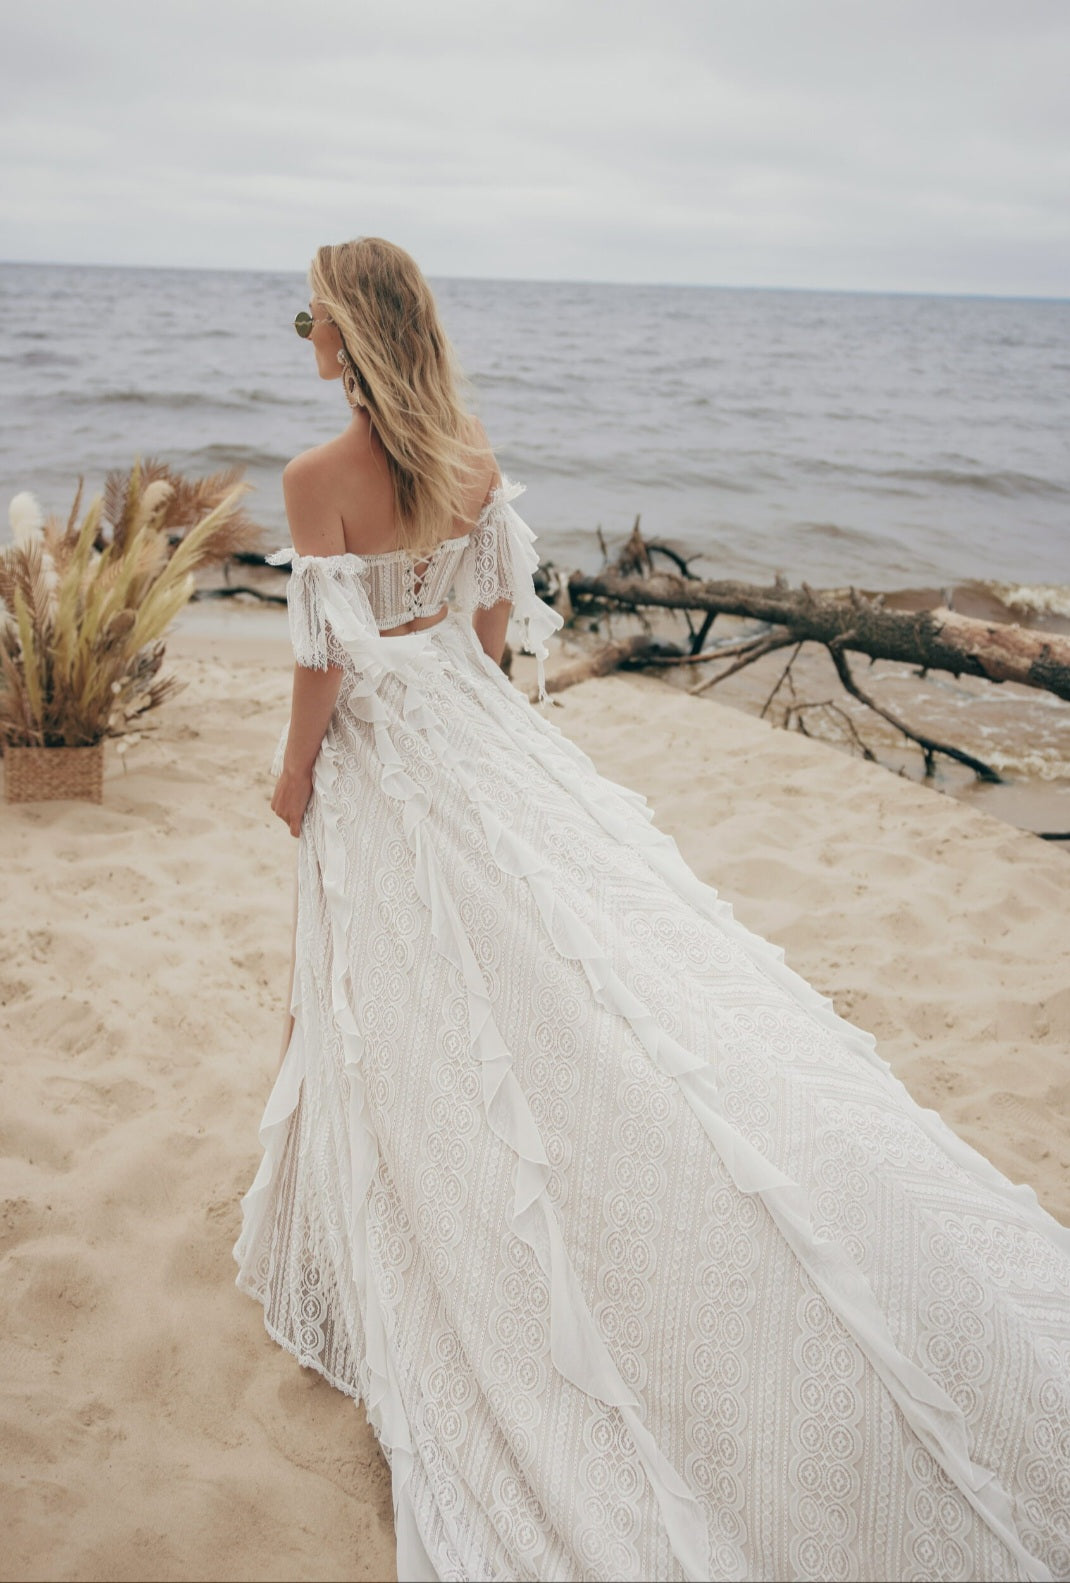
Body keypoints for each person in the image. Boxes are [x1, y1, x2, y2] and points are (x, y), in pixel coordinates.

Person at [233, 237, 1070, 1583]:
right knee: (560, 951)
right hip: (472, 728)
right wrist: (453, 690)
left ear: (355, 331)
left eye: (314, 317)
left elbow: (324, 666)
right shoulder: (470, 454)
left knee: (381, 976)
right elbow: (494, 629)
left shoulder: (313, 480)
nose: (302, 336)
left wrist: (291, 776)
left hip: (388, 746)